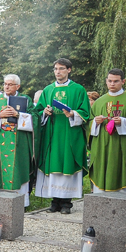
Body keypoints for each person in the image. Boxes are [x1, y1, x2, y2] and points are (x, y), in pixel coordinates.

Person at [32, 58, 90, 214]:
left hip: (70, 135)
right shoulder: (48, 90)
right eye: (55, 69)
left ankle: (66, 203)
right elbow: (37, 111)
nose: (58, 71)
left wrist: (73, 114)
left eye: (61, 68)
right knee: (53, 167)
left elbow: (85, 113)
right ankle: (54, 202)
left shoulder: (78, 90)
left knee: (68, 165)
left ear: (69, 70)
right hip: (52, 135)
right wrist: (44, 112)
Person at [0, 74, 36, 206]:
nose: (6, 86)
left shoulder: (25, 99)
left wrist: (19, 115)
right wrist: (0, 115)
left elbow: (35, 118)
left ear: (18, 86)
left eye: (10, 84)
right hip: (0, 143)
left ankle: (19, 203)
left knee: (18, 168)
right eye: (5, 84)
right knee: (0, 168)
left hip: (19, 144)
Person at [88, 69, 126, 194]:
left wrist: (124, 122)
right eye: (109, 81)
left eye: (116, 81)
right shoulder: (99, 102)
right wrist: (95, 122)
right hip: (102, 148)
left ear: (123, 81)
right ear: (106, 81)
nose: (112, 84)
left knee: (123, 177)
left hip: (123, 147)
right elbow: (88, 122)